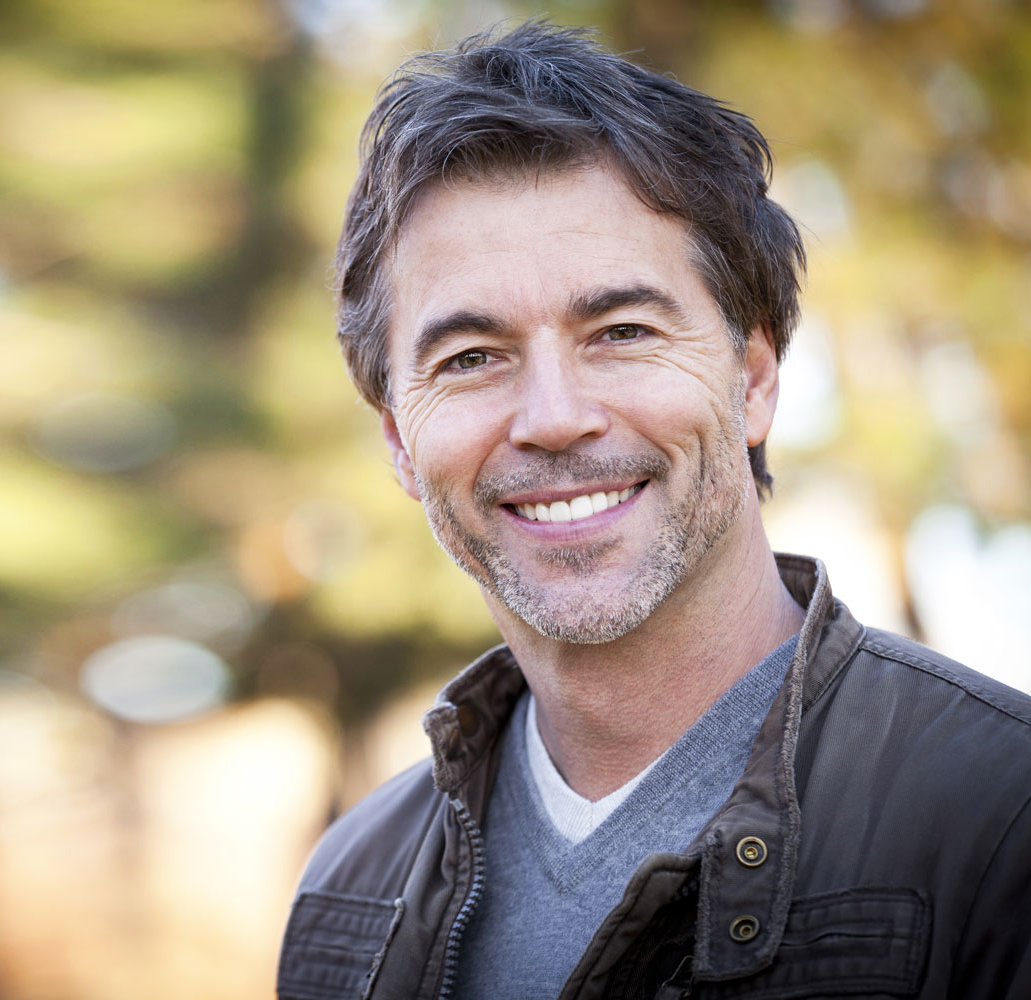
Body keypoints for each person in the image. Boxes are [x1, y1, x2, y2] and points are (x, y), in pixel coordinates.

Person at [276, 20, 1031, 1000]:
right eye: (469, 357)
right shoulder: (348, 895)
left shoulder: (998, 815)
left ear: (752, 380)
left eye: (621, 331)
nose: (551, 418)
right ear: (395, 439)